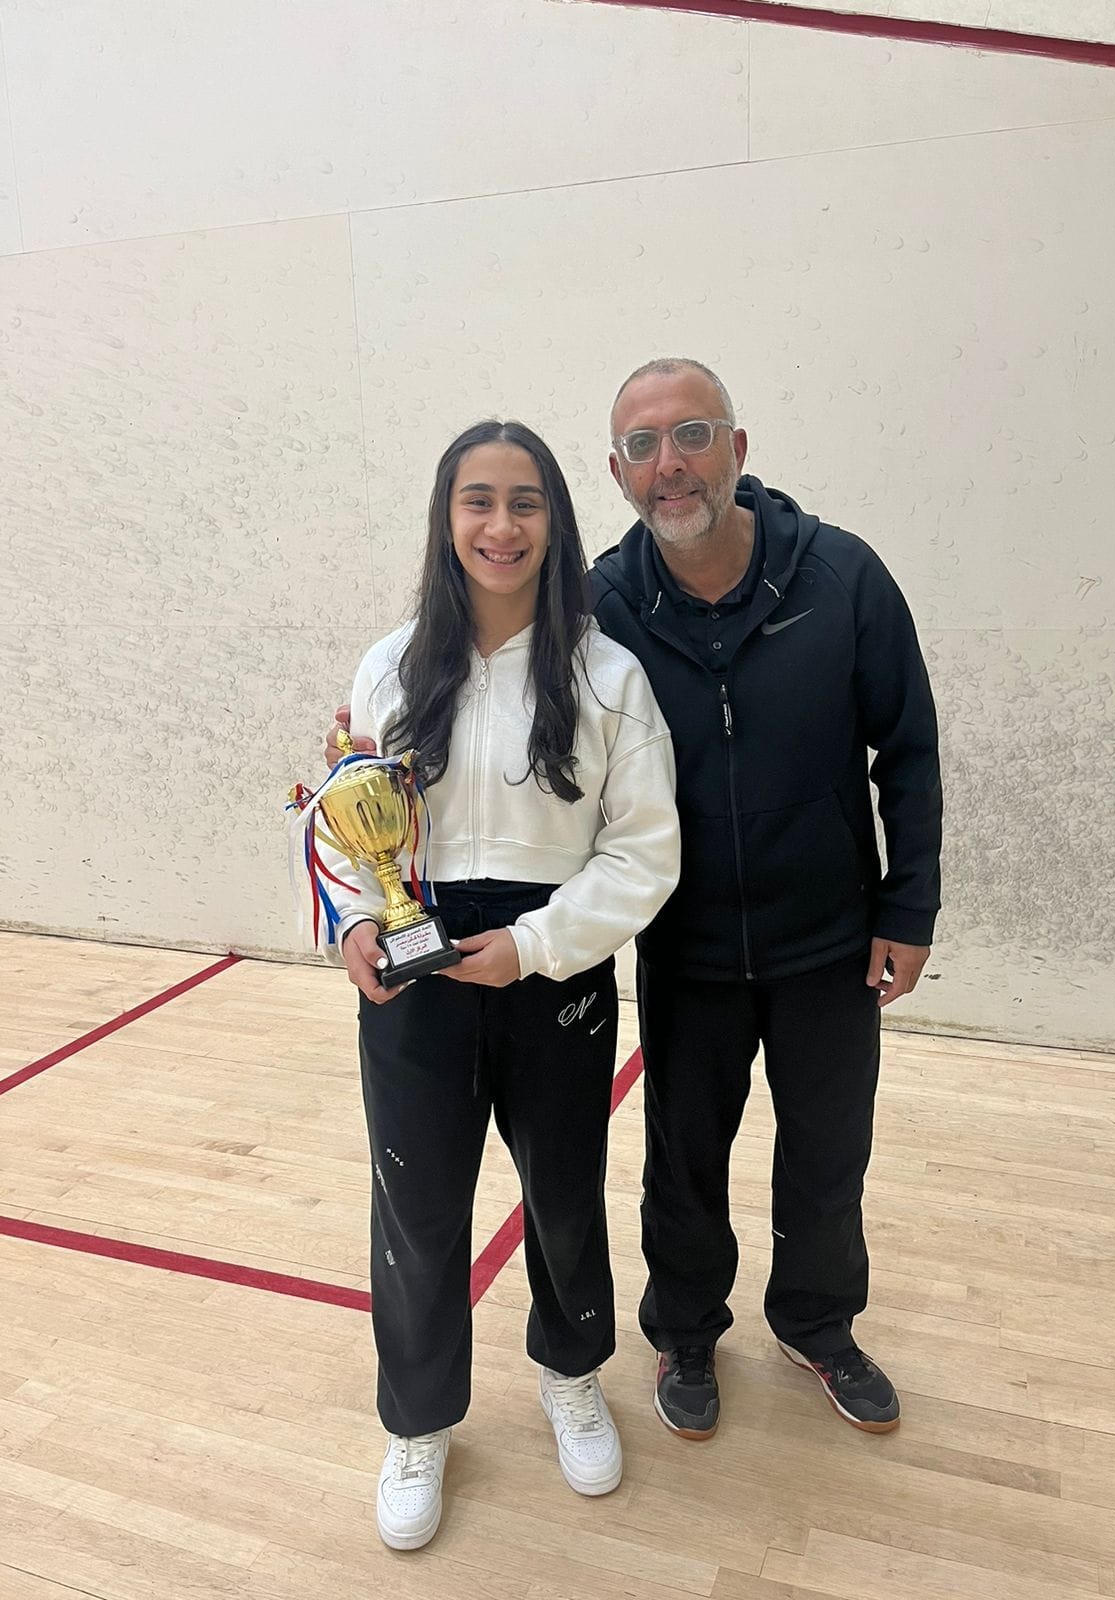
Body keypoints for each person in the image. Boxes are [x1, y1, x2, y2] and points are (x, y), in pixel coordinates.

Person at [329, 359, 941, 1446]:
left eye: (693, 435)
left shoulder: (829, 581)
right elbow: (351, 813)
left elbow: (907, 749)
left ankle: (807, 1327)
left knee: (817, 1153)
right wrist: (355, 919)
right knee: (662, 1166)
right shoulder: (573, 613)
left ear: (736, 448)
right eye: (644, 446)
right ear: (617, 474)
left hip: (813, 938)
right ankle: (673, 1338)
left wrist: (910, 905)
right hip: (676, 954)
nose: (672, 464)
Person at [308, 419, 679, 1550]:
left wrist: (536, 943)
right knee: (417, 1205)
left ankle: (572, 1372)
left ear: (555, 522)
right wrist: (356, 922)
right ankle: (419, 1421)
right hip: (416, 975)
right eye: (479, 500)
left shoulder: (609, 676)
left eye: (525, 502)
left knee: (563, 1191)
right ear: (446, 518)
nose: (501, 525)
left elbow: (645, 854)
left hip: (550, 969)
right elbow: (348, 823)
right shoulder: (389, 666)